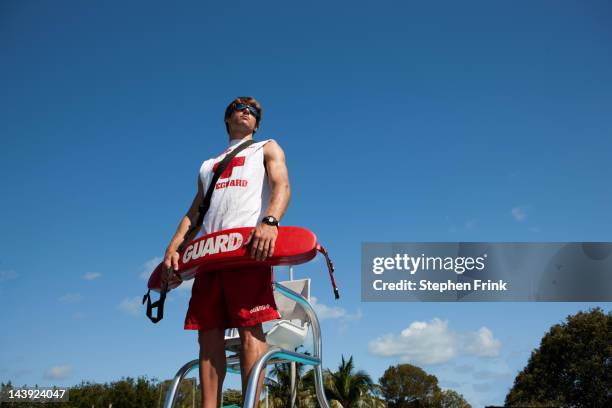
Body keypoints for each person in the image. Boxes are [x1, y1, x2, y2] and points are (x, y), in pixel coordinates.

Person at [162, 96, 291, 408]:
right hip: (209, 254)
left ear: (257, 123)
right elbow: (194, 213)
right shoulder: (207, 166)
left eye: (253, 111)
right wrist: (173, 248)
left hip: (247, 249)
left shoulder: (267, 147)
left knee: (250, 327)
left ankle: (250, 405)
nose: (246, 111)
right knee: (207, 335)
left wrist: (270, 222)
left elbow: (281, 186)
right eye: (239, 107)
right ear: (227, 118)